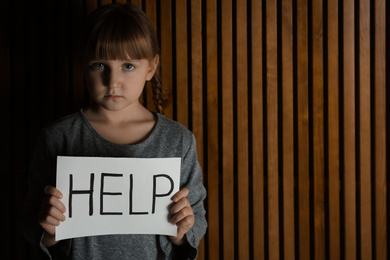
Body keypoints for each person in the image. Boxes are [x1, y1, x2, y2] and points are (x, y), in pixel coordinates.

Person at [21, 3, 207, 259]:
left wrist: (182, 232)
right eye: (99, 65)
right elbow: (30, 221)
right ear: (83, 65)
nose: (112, 81)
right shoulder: (57, 138)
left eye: (128, 66)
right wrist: (49, 232)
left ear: (151, 68)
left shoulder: (178, 141)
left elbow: (197, 218)